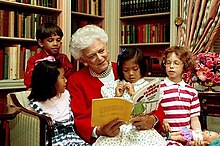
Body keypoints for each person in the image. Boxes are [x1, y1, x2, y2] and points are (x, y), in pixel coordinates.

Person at [67, 25, 164, 144]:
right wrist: (99, 131)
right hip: (108, 138)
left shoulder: (126, 69)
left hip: (136, 133)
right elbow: (80, 117)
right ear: (83, 60)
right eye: (92, 56)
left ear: (106, 48)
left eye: (101, 51)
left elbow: (151, 99)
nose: (99, 58)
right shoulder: (76, 80)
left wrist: (153, 119)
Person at [93, 47, 168, 146]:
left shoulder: (148, 87)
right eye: (126, 70)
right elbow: (108, 113)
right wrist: (117, 96)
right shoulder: (111, 87)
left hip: (139, 131)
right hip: (117, 132)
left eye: (135, 69)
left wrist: (134, 94)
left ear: (142, 67)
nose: (131, 73)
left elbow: (154, 109)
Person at [27, 56, 90, 146]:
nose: (66, 80)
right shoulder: (36, 106)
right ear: (50, 82)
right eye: (63, 77)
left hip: (75, 140)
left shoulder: (67, 95)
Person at [160, 46, 201, 145]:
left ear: (185, 66)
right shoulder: (159, 88)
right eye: (168, 62)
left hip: (185, 137)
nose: (171, 66)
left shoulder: (191, 91)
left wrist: (198, 135)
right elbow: (154, 113)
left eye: (176, 63)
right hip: (164, 137)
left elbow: (194, 118)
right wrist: (162, 120)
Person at [24, 22, 73, 90]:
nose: (55, 44)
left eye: (58, 40)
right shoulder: (34, 60)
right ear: (40, 43)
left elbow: (70, 79)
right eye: (50, 40)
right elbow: (29, 82)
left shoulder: (63, 58)